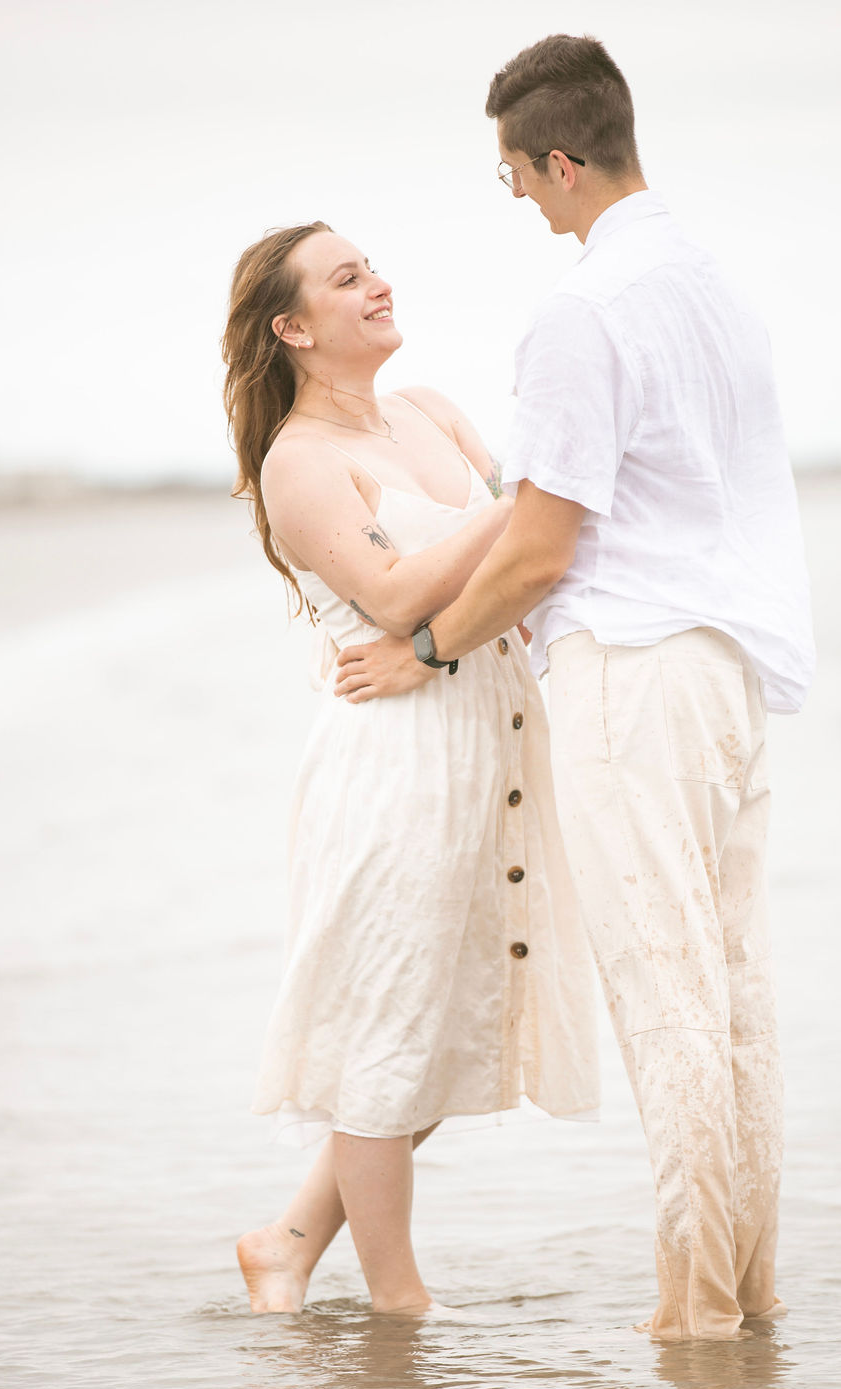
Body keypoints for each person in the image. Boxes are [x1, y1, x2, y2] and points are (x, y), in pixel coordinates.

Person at [333, 36, 816, 1341]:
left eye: (512, 172)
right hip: (730, 675)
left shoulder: (583, 312)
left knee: (665, 991)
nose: (515, 197)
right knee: (735, 995)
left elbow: (544, 543)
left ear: (559, 158)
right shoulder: (718, 288)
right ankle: (747, 1286)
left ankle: (695, 1307)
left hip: (636, 673)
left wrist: (426, 652)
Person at [222, 222, 601, 1318]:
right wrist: (521, 503)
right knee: (390, 1032)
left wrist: (526, 514)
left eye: (372, 266)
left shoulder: (430, 409)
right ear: (293, 328)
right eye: (347, 279)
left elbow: (536, 556)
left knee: (446, 1018)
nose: (378, 284)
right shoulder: (298, 463)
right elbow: (397, 601)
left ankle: (287, 1241)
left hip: (498, 741)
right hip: (398, 762)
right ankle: (400, 1308)